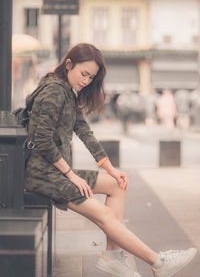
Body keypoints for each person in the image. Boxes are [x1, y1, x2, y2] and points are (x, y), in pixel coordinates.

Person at [24, 43, 197, 277]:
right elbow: (42, 140)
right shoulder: (54, 91)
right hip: (41, 174)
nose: (86, 81)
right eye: (83, 74)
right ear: (68, 64)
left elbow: (85, 132)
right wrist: (72, 175)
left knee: (117, 184)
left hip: (54, 170)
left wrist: (111, 168)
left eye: (91, 77)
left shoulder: (67, 91)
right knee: (104, 215)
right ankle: (159, 263)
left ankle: (113, 257)